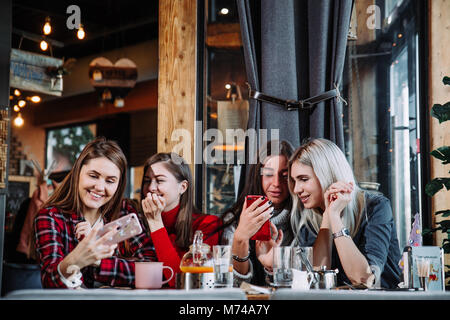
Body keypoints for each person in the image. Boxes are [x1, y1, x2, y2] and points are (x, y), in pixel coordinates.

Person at [34, 137, 155, 288]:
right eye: (93, 176)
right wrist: (79, 257)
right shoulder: (51, 216)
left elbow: (152, 274)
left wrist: (99, 260)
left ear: (119, 185)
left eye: (110, 181)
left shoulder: (125, 211)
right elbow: (50, 281)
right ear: (78, 172)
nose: (99, 187)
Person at [287, 138, 402, 289]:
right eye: (294, 181)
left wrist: (335, 217)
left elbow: (364, 279)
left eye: (303, 179)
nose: (296, 189)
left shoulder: (376, 207)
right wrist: (328, 215)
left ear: (327, 174)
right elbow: (315, 279)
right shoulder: (309, 217)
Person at [139, 152, 222, 288]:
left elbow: (181, 283)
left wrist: (155, 222)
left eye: (159, 180)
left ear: (182, 187)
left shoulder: (207, 224)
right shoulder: (138, 224)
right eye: (147, 181)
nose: (151, 188)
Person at [220, 140, 295, 286]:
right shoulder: (235, 219)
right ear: (257, 175)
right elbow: (234, 284)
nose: (276, 183)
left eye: (284, 176)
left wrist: (273, 266)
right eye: (268, 174)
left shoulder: (301, 219)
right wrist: (240, 239)